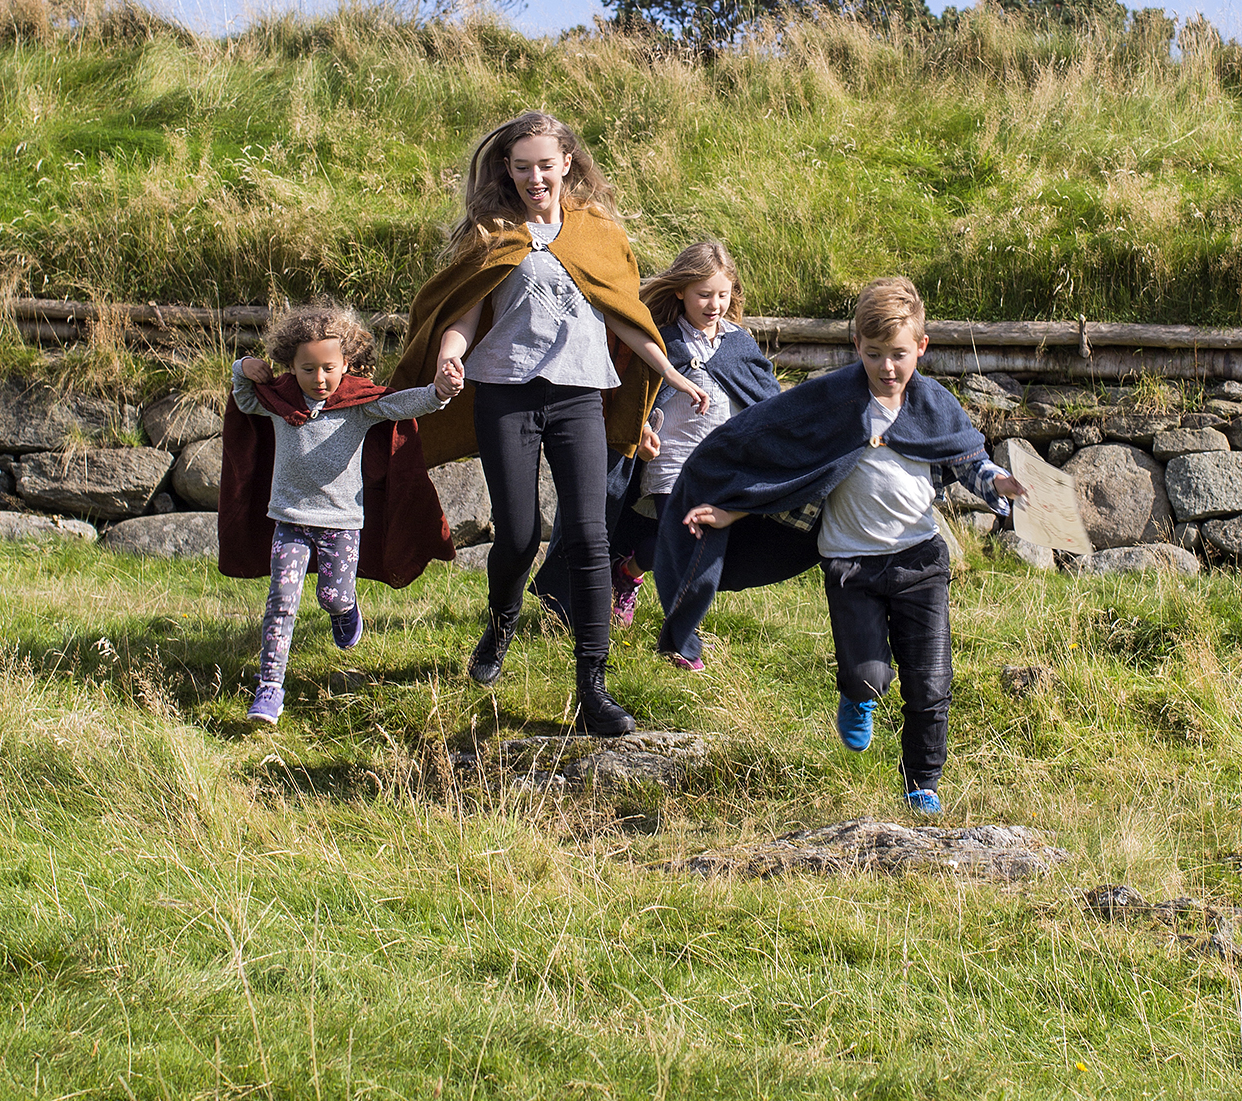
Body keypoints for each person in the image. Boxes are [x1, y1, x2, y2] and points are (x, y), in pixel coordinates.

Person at [389, 109, 709, 737]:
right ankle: (502, 620)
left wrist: (668, 374)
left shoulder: (596, 233)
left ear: (567, 163)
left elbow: (623, 315)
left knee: (590, 538)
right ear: (506, 171)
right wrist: (450, 354)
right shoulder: (491, 233)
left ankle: (593, 685)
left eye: (545, 165)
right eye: (521, 166)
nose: (535, 177)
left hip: (578, 397)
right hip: (505, 395)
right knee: (518, 534)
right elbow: (464, 312)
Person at [657, 276, 1024, 812]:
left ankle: (922, 783)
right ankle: (856, 695)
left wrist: (999, 484)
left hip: (920, 560)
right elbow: (788, 462)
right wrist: (734, 507)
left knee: (931, 683)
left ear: (921, 347)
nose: (888, 367)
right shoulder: (831, 401)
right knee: (868, 676)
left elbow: (968, 460)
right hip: (851, 566)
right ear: (857, 346)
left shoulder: (932, 405)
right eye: (874, 354)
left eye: (899, 354)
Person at [223, 300, 459, 725]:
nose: (320, 378)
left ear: (346, 362)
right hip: (290, 520)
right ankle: (270, 689)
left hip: (341, 525)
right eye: (308, 369)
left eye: (329, 368)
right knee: (281, 601)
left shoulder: (358, 403)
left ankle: (346, 610)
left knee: (332, 595)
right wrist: (243, 366)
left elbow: (406, 404)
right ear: (291, 366)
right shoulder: (278, 401)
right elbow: (244, 399)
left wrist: (439, 391)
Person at [606, 238, 778, 670]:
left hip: (720, 466)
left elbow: (766, 399)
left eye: (722, 294)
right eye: (704, 294)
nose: (714, 304)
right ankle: (683, 641)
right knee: (684, 539)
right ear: (680, 291)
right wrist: (640, 429)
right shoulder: (660, 342)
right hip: (670, 460)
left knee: (677, 544)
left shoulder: (740, 343)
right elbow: (631, 396)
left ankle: (628, 570)